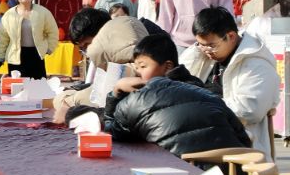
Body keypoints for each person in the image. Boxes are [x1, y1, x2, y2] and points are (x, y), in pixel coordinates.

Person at [88, 34, 251, 155]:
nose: (137, 73)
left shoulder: (143, 99)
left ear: (167, 67)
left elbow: (111, 132)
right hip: (231, 174)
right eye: (136, 67)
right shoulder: (200, 89)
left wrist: (116, 91)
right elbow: (242, 137)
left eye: (143, 66)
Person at [179, 7, 280, 158]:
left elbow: (248, 110)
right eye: (200, 44)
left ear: (231, 36)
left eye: (211, 45)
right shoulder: (204, 56)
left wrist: (201, 107)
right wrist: (197, 51)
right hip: (203, 136)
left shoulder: (257, 63)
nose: (206, 50)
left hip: (240, 146)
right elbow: (179, 80)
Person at [52, 7, 150, 122]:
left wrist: (68, 103)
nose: (87, 54)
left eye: (87, 45)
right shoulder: (135, 35)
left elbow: (100, 97)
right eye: (83, 49)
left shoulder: (125, 68)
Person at [0, 0, 59, 80]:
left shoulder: (42, 12)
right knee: (18, 88)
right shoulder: (9, 15)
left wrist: (49, 48)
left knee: (38, 86)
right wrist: (0, 56)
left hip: (36, 54)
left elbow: (53, 31)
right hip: (15, 56)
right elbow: (3, 37)